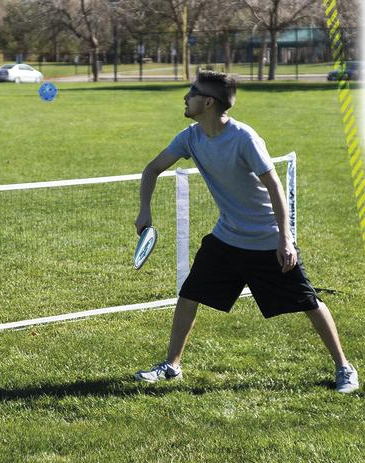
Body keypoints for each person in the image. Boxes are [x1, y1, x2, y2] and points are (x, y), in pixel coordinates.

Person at [134, 71, 359, 393]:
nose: (185, 97)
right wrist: (145, 209)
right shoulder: (190, 137)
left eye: (192, 92)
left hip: (266, 239)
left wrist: (285, 239)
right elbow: (152, 169)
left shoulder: (243, 138)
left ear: (208, 102)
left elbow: (275, 185)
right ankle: (172, 366)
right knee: (189, 294)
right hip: (226, 237)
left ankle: (344, 367)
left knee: (307, 301)